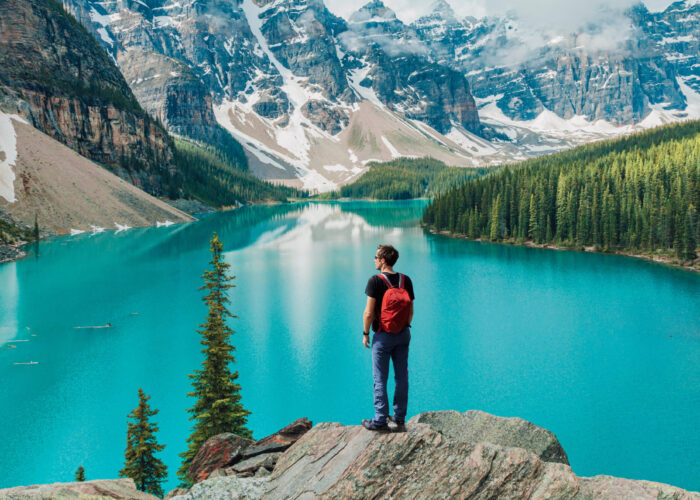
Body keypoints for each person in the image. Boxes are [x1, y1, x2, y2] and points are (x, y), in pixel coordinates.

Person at [361, 244, 414, 432]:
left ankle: (380, 420)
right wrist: (403, 327)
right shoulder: (405, 280)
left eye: (376, 257)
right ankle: (399, 418)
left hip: (383, 336)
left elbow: (368, 313)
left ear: (383, 260)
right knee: (402, 376)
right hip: (403, 334)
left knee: (380, 378)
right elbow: (410, 311)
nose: (374, 260)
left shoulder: (375, 281)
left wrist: (366, 333)